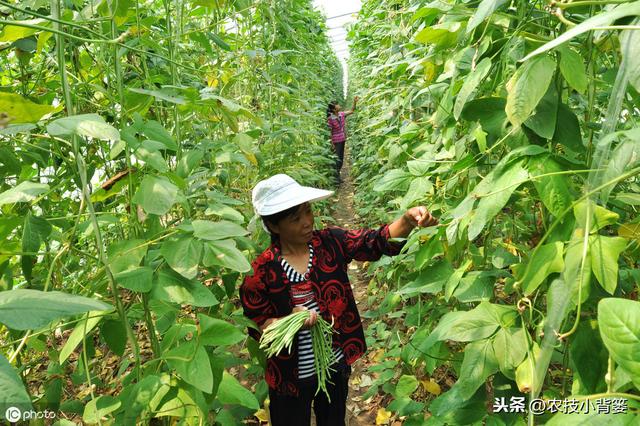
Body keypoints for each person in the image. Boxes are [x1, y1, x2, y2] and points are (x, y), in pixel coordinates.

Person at [239, 174, 438, 426]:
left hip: (334, 364)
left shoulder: (329, 243)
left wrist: (408, 221)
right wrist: (290, 321)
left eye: (308, 212)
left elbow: (373, 242)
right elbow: (259, 327)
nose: (307, 222)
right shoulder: (260, 273)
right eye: (295, 218)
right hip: (289, 376)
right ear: (274, 226)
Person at [327, 96, 358, 182]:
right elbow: (329, 132)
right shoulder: (330, 119)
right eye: (336, 104)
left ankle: (337, 176)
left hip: (342, 139)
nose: (338, 105)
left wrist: (354, 102)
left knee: (340, 158)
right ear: (334, 109)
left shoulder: (341, 114)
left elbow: (352, 110)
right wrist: (332, 143)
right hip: (336, 141)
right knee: (338, 159)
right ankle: (336, 178)